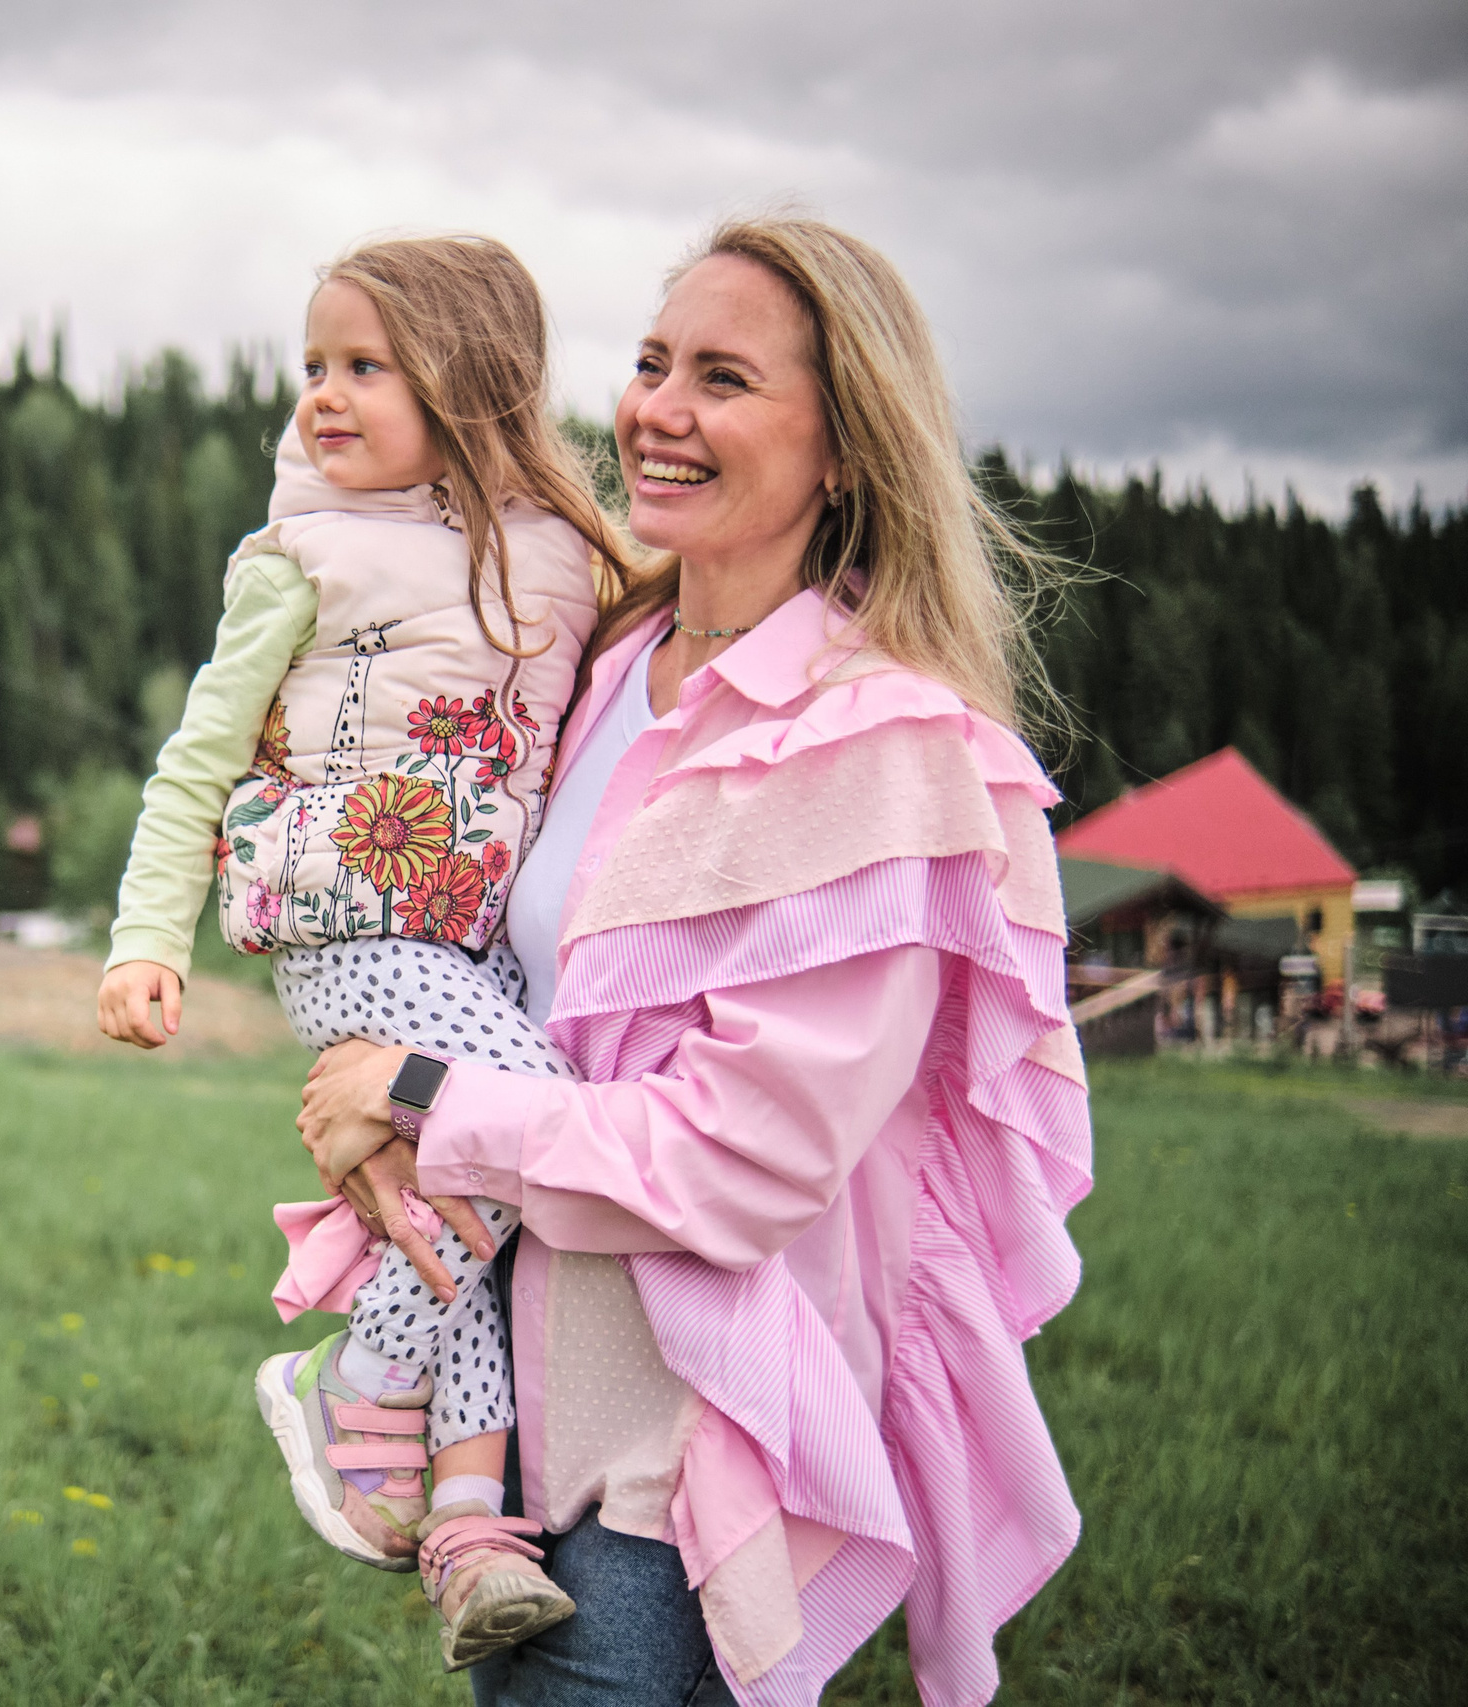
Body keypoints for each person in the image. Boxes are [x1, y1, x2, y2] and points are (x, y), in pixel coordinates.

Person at [296, 214, 1093, 1707]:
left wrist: (419, 1093)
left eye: (723, 379)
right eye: (654, 362)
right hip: (522, 1400)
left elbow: (746, 1157)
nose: (659, 411)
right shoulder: (603, 669)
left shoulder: (882, 747)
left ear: (844, 445)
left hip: (688, 1445)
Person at [94, 234, 626, 1669]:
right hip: (353, 924)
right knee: (531, 1133)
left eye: (363, 365)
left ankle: (466, 1522)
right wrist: (150, 940)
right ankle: (357, 1376)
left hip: (478, 946)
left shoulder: (569, 555)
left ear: (469, 378)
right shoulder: (298, 559)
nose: (322, 395)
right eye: (313, 365)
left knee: (483, 1192)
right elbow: (196, 756)